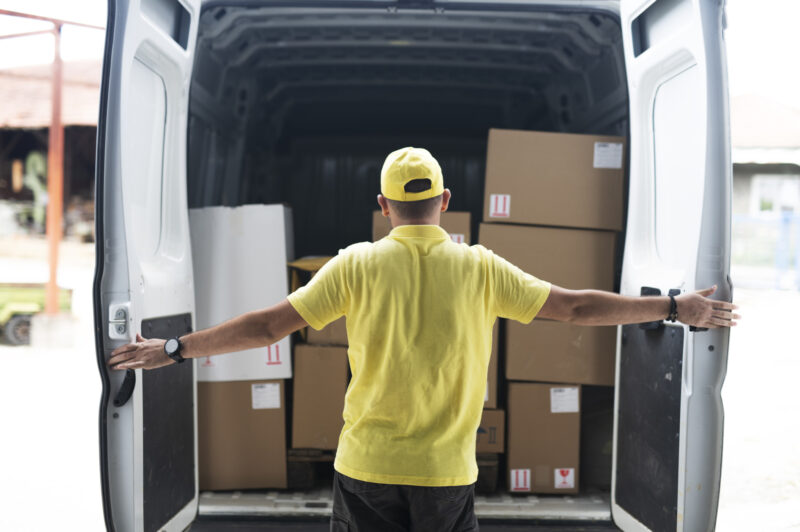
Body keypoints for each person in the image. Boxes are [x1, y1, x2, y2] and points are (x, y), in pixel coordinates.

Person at [108, 147, 739, 532]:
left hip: (365, 470)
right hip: (445, 473)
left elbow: (269, 326)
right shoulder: (479, 267)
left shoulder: (355, 264)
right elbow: (575, 309)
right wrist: (675, 306)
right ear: (444, 200)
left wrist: (172, 349)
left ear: (383, 205)